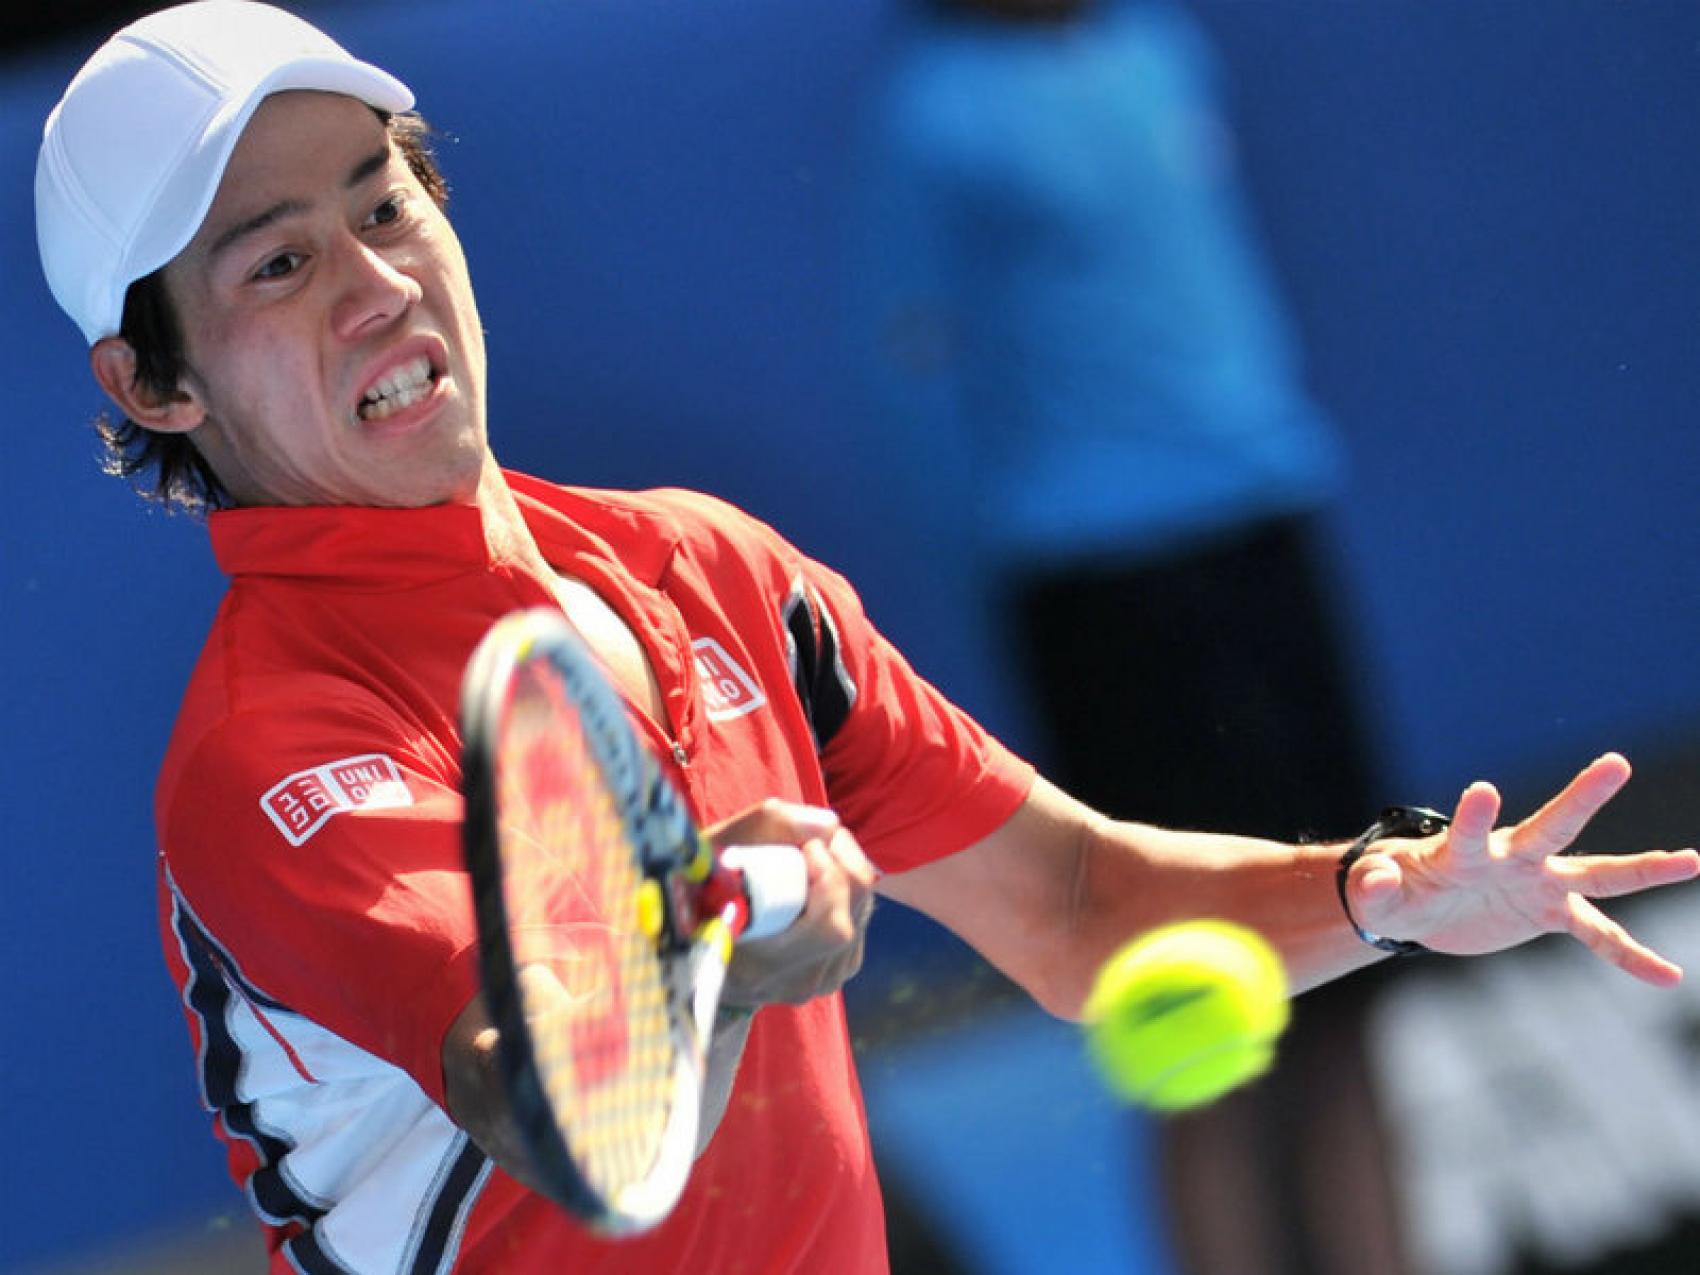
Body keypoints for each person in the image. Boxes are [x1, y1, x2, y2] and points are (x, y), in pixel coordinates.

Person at [34, 4, 1700, 1273]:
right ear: (153, 382)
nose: (375, 284)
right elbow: (527, 1074)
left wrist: (1379, 892)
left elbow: (1069, 903)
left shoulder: (708, 564)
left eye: (383, 204)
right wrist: (702, 942)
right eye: (278, 262)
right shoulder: (274, 749)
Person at [845, 1, 1407, 1270]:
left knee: (1361, 957)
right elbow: (916, 373)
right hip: (1104, 602)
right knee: (1183, 1007)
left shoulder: (1160, 45)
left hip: (1264, 548)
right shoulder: (934, 116)